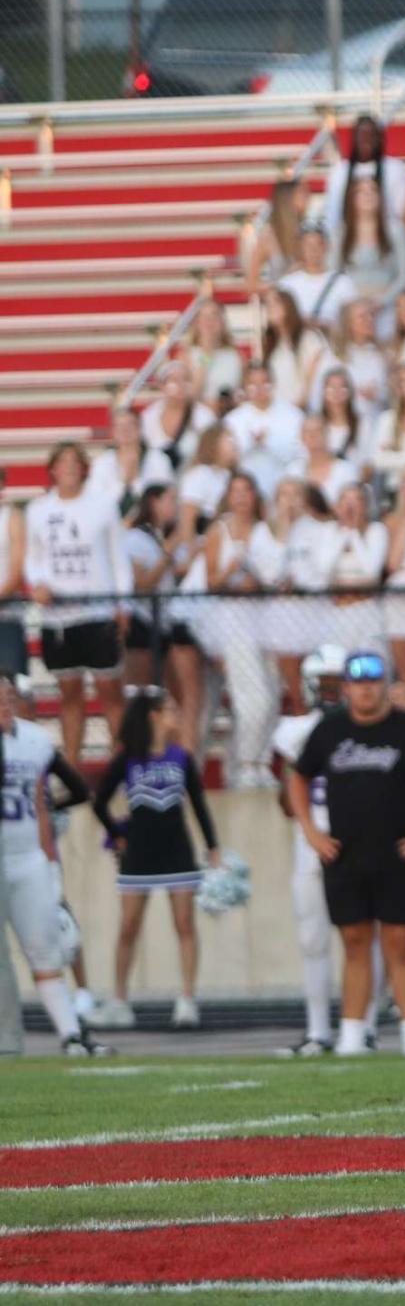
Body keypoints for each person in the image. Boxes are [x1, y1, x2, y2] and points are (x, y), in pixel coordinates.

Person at [288, 651, 405, 1059]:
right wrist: (311, 832)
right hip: (345, 853)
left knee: (400, 944)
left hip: (397, 852)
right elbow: (297, 776)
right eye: (357, 682)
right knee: (354, 941)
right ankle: (351, 1034)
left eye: (373, 681)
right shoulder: (330, 729)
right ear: (346, 687)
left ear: (383, 684)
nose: (366, 689)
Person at [88, 690, 220, 1031]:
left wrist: (213, 847)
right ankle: (119, 1001)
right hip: (140, 852)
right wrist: (117, 833)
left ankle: (187, 1000)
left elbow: (199, 805)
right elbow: (99, 801)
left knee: (184, 925)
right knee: (128, 927)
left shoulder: (181, 757)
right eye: (170, 710)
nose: (176, 715)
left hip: (178, 850)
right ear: (153, 716)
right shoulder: (128, 758)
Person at [0, 680, 109, 1055]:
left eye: (8, 698)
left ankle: (72, 1036)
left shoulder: (33, 740)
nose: (5, 705)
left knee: (44, 949)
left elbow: (56, 796)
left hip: (27, 855)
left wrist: (49, 861)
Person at [24, 444, 131, 767]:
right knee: (68, 695)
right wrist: (38, 583)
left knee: (110, 692)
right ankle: (73, 771)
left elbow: (118, 558)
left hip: (97, 613)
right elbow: (33, 557)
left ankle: (122, 768)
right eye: (62, 462)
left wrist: (122, 605)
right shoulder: (38, 509)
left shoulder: (103, 506)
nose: (69, 468)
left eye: (75, 462)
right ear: (52, 469)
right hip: (58, 617)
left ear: (84, 468)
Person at [269, 644, 347, 1056]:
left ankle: (361, 1027)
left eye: (338, 684)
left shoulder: (367, 728)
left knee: (363, 938)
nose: (332, 693)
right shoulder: (293, 731)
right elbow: (285, 802)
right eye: (326, 684)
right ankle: (318, 1031)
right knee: (313, 938)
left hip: (358, 838)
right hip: (311, 840)